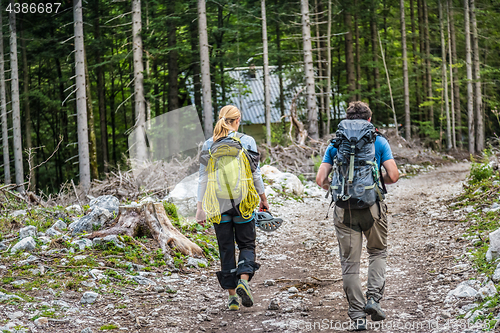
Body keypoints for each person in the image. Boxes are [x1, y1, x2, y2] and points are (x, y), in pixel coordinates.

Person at [316, 101, 399, 331]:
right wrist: (376, 183)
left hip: (344, 210)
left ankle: (357, 317)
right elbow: (393, 175)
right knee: (378, 252)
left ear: (348, 119)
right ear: (369, 120)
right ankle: (374, 299)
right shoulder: (378, 141)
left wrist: (338, 189)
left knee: (350, 265)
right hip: (373, 207)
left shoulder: (336, 144)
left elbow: (320, 180)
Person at [196, 105, 269, 311]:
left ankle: (232, 298)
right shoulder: (247, 141)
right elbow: (256, 174)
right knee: (246, 244)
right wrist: (263, 199)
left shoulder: (209, 144)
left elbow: (203, 178)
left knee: (226, 247)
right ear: (237, 121)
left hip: (218, 203)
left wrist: (200, 207)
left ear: (220, 120)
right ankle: (243, 280)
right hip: (242, 202)